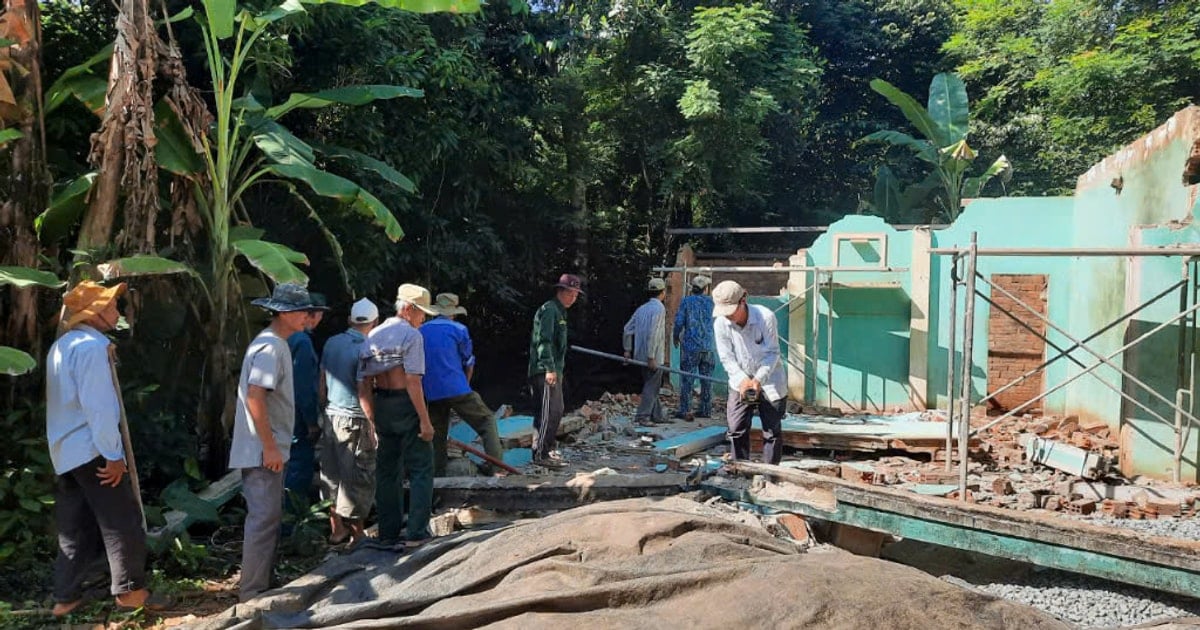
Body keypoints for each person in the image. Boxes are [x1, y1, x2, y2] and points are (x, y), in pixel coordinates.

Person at [46, 281, 165, 616]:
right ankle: (131, 594)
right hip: (92, 449)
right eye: (111, 306)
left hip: (67, 451)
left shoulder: (62, 346)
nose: (117, 311)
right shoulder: (90, 348)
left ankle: (65, 598)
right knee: (122, 521)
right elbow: (98, 407)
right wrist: (113, 455)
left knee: (75, 526)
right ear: (96, 313)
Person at [229, 283, 313, 601]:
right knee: (264, 519)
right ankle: (252, 592)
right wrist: (269, 446)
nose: (307, 316)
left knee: (268, 517)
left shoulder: (275, 344)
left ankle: (260, 583)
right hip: (262, 449)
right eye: (303, 311)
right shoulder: (271, 348)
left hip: (264, 446)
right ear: (286, 313)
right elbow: (255, 397)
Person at [358, 284, 438, 549]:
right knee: (421, 467)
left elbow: (364, 383)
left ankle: (388, 531)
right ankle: (417, 532)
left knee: (387, 470)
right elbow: (413, 381)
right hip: (406, 402)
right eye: (421, 313)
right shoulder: (412, 336)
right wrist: (425, 421)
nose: (423, 319)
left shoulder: (372, 336)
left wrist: (371, 419)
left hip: (382, 403)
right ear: (407, 309)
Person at [420, 293, 504, 476]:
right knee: (486, 421)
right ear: (453, 312)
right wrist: (464, 386)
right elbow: (469, 363)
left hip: (430, 390)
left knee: (438, 433)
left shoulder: (421, 330)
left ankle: (436, 475)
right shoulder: (459, 330)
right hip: (456, 387)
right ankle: (497, 467)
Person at [318, 298, 379, 546]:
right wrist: (373, 422)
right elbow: (363, 388)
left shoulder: (332, 343)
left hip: (331, 415)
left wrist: (324, 409)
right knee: (357, 474)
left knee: (331, 474)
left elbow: (321, 383)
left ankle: (336, 529)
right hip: (355, 419)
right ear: (375, 322)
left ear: (349, 321)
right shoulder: (366, 349)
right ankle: (357, 535)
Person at [712, 280, 787, 465]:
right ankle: (741, 470)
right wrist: (743, 380)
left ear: (743, 299)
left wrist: (759, 379)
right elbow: (726, 357)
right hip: (740, 380)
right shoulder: (721, 324)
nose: (728, 316)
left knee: (771, 431)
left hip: (770, 380)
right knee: (736, 428)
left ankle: (771, 475)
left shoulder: (765, 317)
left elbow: (772, 353)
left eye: (731, 310)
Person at [527, 273, 583, 468]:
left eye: (576, 295)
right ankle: (540, 454)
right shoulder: (550, 310)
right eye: (571, 294)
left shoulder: (561, 312)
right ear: (561, 291)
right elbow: (544, 341)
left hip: (554, 370)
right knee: (547, 412)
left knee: (557, 410)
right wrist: (550, 369)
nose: (573, 298)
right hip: (544, 370)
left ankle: (547, 449)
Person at [284, 294, 328, 518]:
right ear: (313, 315)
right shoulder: (301, 341)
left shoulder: (283, 337)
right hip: (296, 417)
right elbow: (304, 387)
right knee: (298, 468)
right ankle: (291, 523)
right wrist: (312, 421)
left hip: (281, 412)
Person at [623, 278, 668, 425]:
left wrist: (627, 350)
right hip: (653, 356)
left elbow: (627, 329)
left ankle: (657, 415)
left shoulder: (642, 309)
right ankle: (643, 416)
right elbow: (653, 334)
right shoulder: (659, 309)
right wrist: (651, 356)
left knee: (651, 384)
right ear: (662, 292)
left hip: (639, 355)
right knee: (652, 385)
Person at [673, 275, 716, 419]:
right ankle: (706, 410)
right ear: (705, 289)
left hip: (691, 347)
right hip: (708, 347)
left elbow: (679, 321)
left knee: (687, 379)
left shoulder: (686, 301)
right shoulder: (711, 303)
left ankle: (685, 410)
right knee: (707, 379)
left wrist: (675, 336)